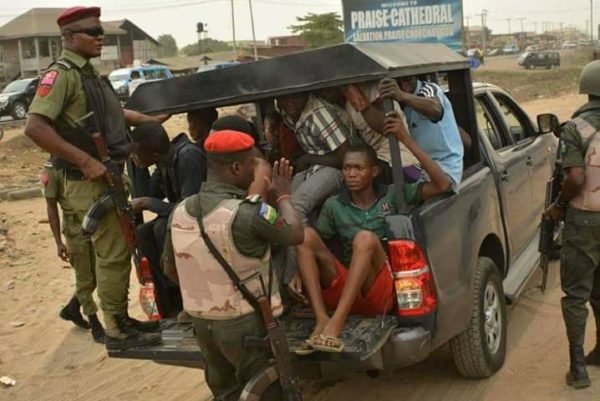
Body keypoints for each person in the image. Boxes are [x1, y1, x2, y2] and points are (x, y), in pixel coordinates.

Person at [24, 6, 164, 351]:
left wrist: (152, 120)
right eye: (93, 32)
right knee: (112, 253)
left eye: (101, 32)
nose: (101, 37)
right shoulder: (62, 76)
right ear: (70, 37)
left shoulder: (90, 75)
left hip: (107, 175)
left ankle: (118, 317)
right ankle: (116, 327)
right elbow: (35, 126)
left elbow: (115, 115)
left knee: (118, 249)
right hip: (88, 180)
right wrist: (85, 160)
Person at [162, 130, 304, 400]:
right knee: (265, 391)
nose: (255, 172)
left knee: (225, 392)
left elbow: (170, 269)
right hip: (246, 324)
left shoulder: (179, 211)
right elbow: (296, 234)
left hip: (203, 324)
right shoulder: (248, 213)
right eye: (252, 164)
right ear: (236, 167)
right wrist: (284, 196)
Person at [295, 111, 451, 353]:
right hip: (348, 288)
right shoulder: (334, 205)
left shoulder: (392, 193)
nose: (351, 174)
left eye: (358, 168)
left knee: (365, 238)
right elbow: (318, 247)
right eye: (347, 169)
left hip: (381, 291)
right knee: (304, 235)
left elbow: (443, 184)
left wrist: (405, 140)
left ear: (374, 171)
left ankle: (336, 324)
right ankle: (322, 319)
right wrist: (297, 271)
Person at [544, 60, 600, 389]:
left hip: (584, 219)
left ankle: (578, 368)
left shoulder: (574, 128)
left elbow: (576, 176)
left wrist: (559, 206)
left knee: (576, 294)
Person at [130, 121, 206, 318]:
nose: (134, 156)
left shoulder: (187, 156)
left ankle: (186, 294)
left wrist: (149, 203)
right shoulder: (163, 162)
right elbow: (146, 192)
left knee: (161, 227)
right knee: (143, 232)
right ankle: (168, 296)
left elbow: (189, 208)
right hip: (183, 218)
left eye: (136, 153)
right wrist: (138, 167)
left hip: (203, 218)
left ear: (153, 154)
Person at [41, 159, 104, 343]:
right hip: (75, 230)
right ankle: (95, 324)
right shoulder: (51, 171)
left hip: (93, 224)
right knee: (85, 278)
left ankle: (72, 308)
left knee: (98, 275)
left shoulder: (78, 160)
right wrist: (58, 242)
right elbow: (51, 206)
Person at [276, 92, 351, 223]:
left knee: (296, 206)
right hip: (313, 166)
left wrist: (308, 159)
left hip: (336, 167)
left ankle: (306, 242)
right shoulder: (285, 109)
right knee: (284, 202)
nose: (290, 102)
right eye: (284, 97)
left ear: (306, 94)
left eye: (295, 96)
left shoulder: (319, 115)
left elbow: (347, 159)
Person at [379, 76, 464, 188]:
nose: (403, 85)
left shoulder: (428, 89)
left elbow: (436, 110)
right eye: (398, 82)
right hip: (420, 170)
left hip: (445, 170)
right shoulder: (397, 106)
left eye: (407, 79)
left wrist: (402, 96)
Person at [342, 82, 420, 183]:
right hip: (381, 161)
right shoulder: (345, 104)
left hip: (404, 164)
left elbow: (385, 128)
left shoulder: (375, 90)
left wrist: (356, 97)